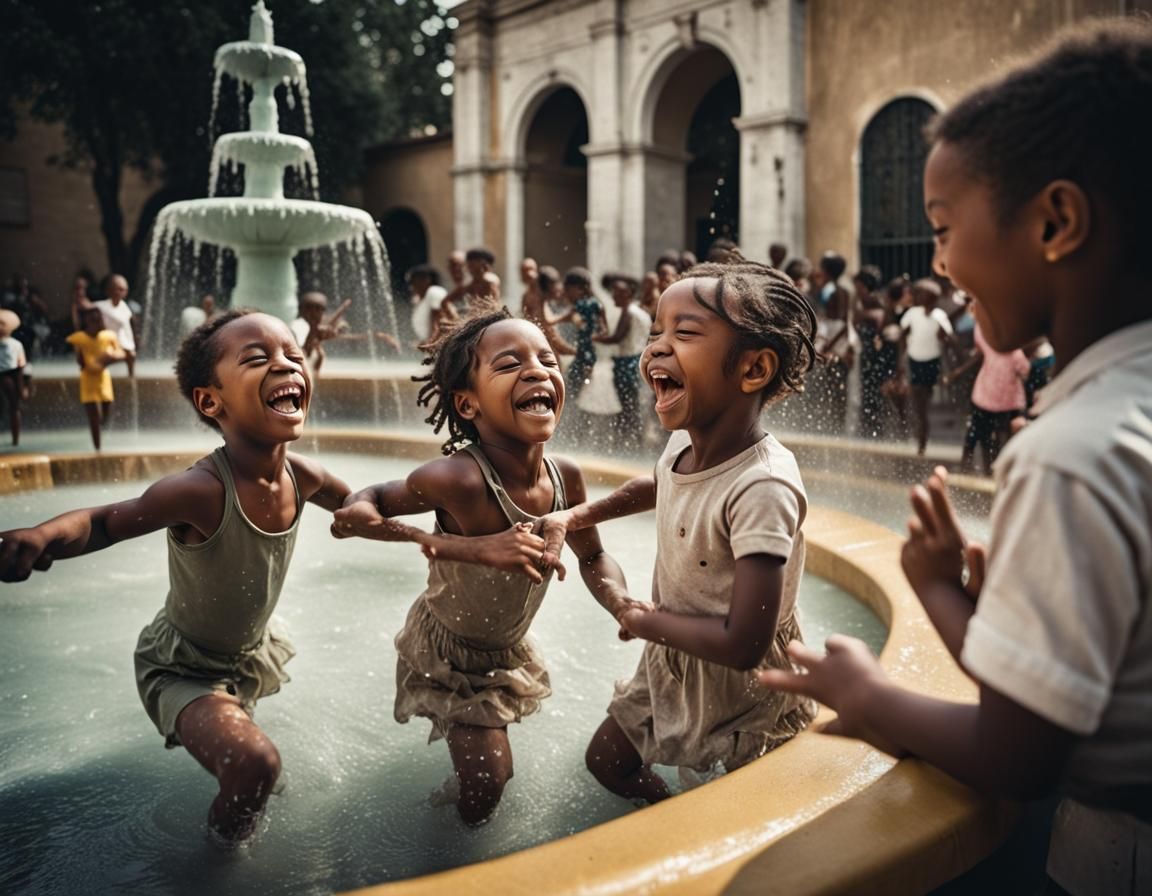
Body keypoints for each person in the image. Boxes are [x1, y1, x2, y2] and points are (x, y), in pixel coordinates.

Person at [759, 20, 1152, 895]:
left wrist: (868, 694)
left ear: (1056, 221)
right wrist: (956, 599)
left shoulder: (1070, 456)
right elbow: (1061, 701)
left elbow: (1020, 757)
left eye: (942, 226)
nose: (940, 260)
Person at [1, 311, 354, 843]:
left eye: (294, 355)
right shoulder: (201, 490)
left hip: (246, 654)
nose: (285, 365)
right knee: (255, 764)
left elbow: (364, 507)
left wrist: (452, 533)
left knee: (255, 771)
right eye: (258, 358)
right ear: (210, 401)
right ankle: (219, 866)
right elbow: (105, 522)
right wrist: (41, 535)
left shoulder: (302, 475)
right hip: (181, 668)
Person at [331, 308, 639, 825]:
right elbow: (368, 502)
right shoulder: (458, 480)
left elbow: (593, 555)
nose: (537, 370)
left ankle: (455, 804)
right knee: (491, 778)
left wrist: (619, 601)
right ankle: (446, 842)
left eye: (547, 360)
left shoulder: (565, 477)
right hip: (446, 650)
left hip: (504, 646)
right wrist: (376, 513)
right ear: (467, 403)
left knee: (489, 776)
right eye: (510, 364)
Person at [538, 256, 819, 803]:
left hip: (744, 683)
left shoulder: (762, 487)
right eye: (656, 332)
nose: (655, 349)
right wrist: (575, 515)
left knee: (746, 800)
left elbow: (745, 644)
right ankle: (667, 813)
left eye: (684, 334)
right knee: (607, 761)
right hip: (675, 650)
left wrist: (642, 619)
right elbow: (661, 483)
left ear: (753, 370)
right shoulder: (686, 440)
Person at [944, 313, 1029, 475]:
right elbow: (1025, 371)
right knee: (1000, 435)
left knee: (984, 434)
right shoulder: (1015, 353)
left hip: (987, 397)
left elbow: (980, 343)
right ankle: (997, 468)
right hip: (1004, 400)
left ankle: (985, 468)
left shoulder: (990, 343)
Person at [595, 272, 651, 452]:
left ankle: (626, 443)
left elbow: (617, 337)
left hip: (626, 364)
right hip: (636, 360)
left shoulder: (629, 312)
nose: (613, 297)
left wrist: (593, 338)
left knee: (626, 405)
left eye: (617, 294)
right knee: (632, 404)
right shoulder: (640, 311)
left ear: (627, 294)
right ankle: (634, 443)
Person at [900, 277, 954, 454]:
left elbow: (948, 337)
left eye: (921, 294)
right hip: (915, 360)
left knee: (924, 399)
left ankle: (922, 434)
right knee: (918, 401)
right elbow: (902, 335)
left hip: (931, 362)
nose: (917, 297)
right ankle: (920, 435)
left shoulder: (939, 316)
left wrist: (942, 334)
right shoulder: (912, 314)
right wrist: (901, 361)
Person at [66, 305, 126, 450]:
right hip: (88, 379)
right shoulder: (80, 338)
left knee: (106, 412)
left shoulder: (108, 336)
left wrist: (110, 357)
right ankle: (97, 446)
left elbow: (122, 353)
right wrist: (80, 357)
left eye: (98, 320)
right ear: (86, 321)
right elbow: (79, 359)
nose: (96, 323)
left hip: (103, 377)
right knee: (94, 416)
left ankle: (99, 438)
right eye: (92, 320)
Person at [554, 266, 605, 404]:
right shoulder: (592, 306)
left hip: (587, 358)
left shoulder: (585, 308)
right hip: (584, 356)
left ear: (580, 289)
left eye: (568, 290)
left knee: (577, 394)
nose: (566, 294)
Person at [93, 274, 138, 377]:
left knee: (131, 355)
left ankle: (131, 378)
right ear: (108, 291)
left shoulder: (125, 308)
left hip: (122, 343)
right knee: (105, 357)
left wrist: (132, 343)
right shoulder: (100, 306)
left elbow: (127, 329)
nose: (122, 292)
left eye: (124, 290)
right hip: (105, 342)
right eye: (119, 289)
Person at [443, 247, 501, 318]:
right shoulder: (469, 284)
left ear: (483, 264)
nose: (468, 268)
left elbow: (493, 306)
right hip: (476, 319)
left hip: (490, 318)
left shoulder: (489, 280)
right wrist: (455, 317)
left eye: (472, 264)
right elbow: (445, 302)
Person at [0, 308, 28, 446]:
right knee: (11, 407)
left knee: (14, 407)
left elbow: (21, 366)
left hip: (10, 374)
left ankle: (15, 438)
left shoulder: (16, 344)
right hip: (7, 375)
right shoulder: (16, 344)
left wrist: (21, 386)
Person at [406, 264, 448, 347]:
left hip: (438, 344)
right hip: (432, 343)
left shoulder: (434, 291)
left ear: (427, 280)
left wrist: (432, 342)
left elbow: (439, 320)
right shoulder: (420, 299)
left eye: (414, 281)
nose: (411, 286)